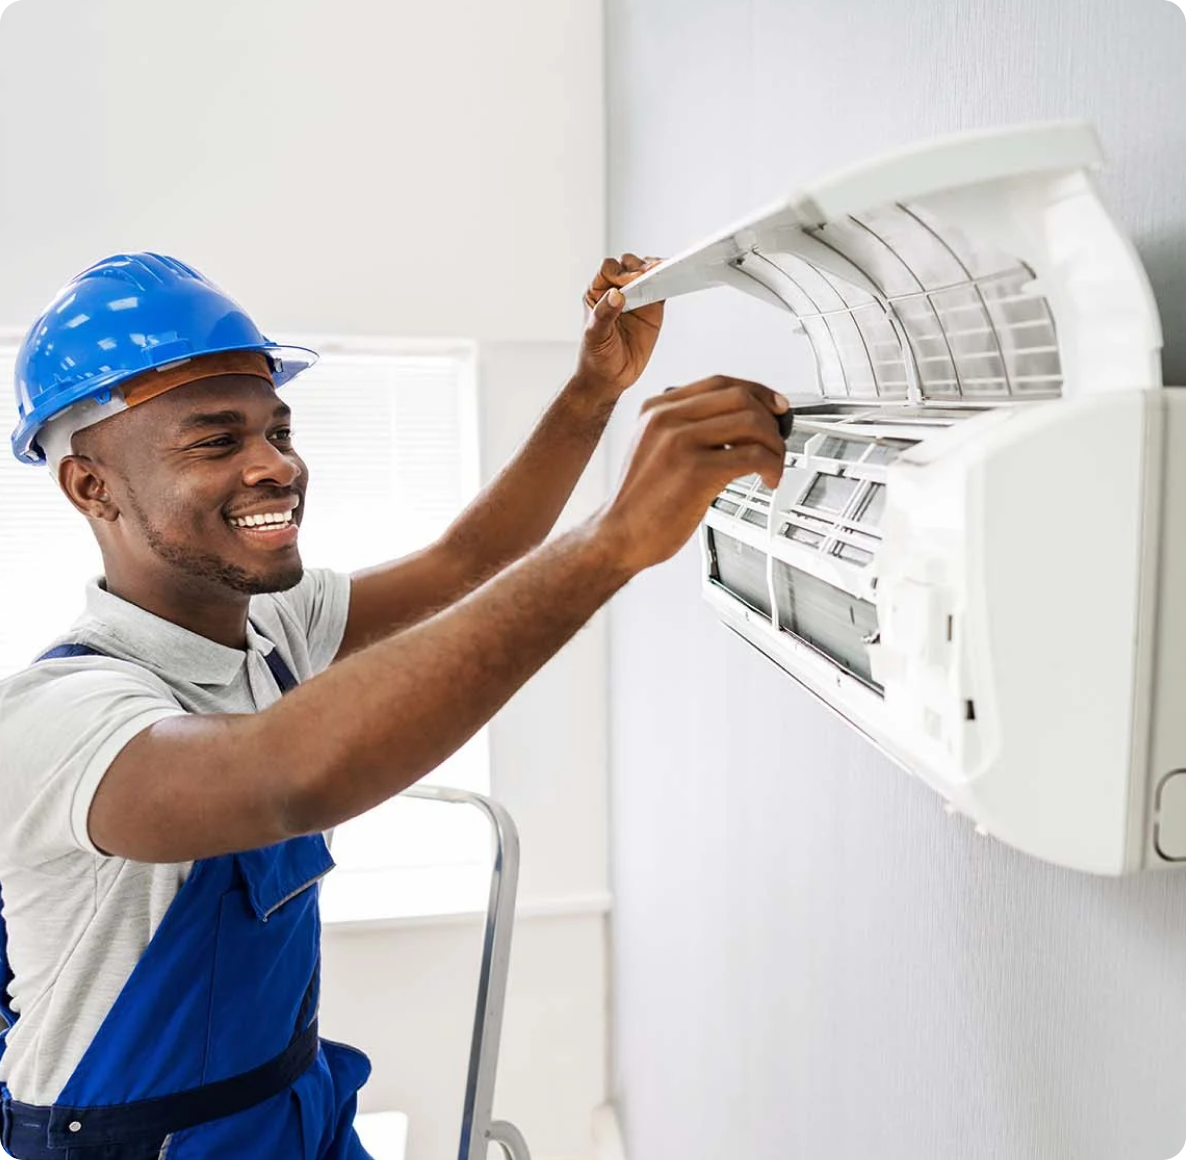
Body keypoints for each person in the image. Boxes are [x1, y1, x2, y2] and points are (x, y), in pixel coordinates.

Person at [0, 251, 789, 1159]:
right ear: (90, 485)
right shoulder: (56, 715)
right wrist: (613, 542)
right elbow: (283, 778)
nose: (274, 467)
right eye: (217, 442)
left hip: (293, 1108)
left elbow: (465, 562)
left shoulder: (272, 628)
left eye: (278, 432)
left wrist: (592, 390)